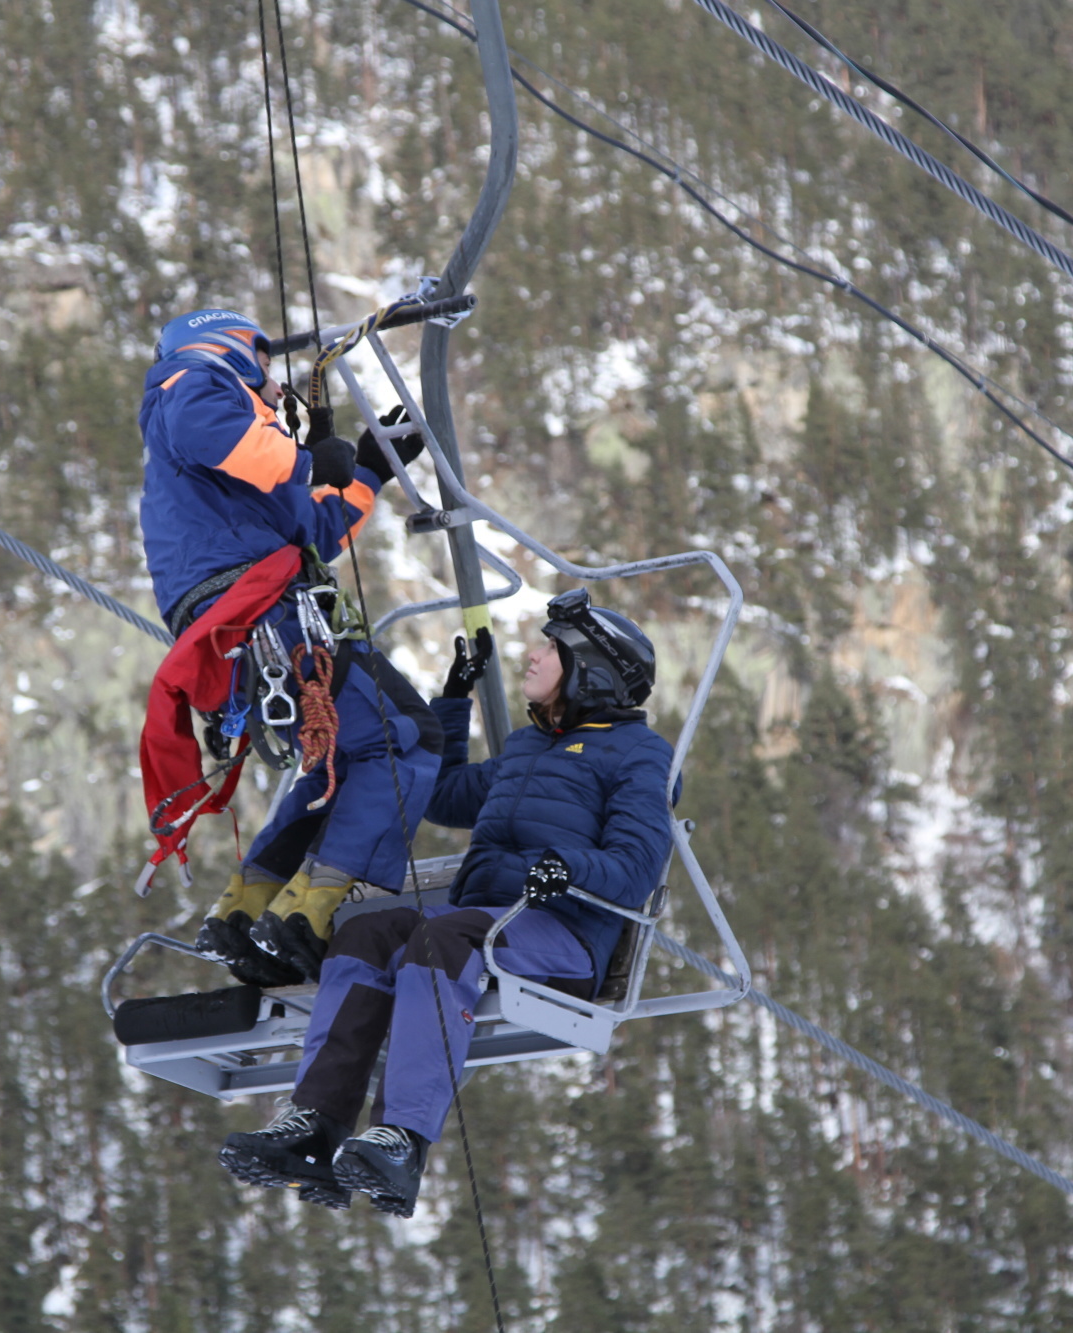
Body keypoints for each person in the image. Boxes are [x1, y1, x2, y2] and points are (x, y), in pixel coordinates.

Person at [218, 589, 673, 1216]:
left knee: (441, 939)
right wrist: (454, 699)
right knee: (366, 934)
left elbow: (637, 862)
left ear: (590, 669)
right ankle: (315, 1126)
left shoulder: (638, 755)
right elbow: (447, 796)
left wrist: (566, 869)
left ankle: (402, 1137)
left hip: (561, 933)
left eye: (551, 648)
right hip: (483, 922)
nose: (532, 657)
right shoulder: (526, 748)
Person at [137, 308, 442, 986]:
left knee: (337, 762)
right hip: (261, 614)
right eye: (268, 373)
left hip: (257, 616)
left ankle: (245, 914)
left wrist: (366, 468)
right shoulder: (190, 384)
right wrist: (306, 455)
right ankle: (312, 914)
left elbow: (320, 531)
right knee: (404, 739)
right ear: (232, 351)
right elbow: (233, 440)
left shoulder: (234, 471)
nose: (276, 391)